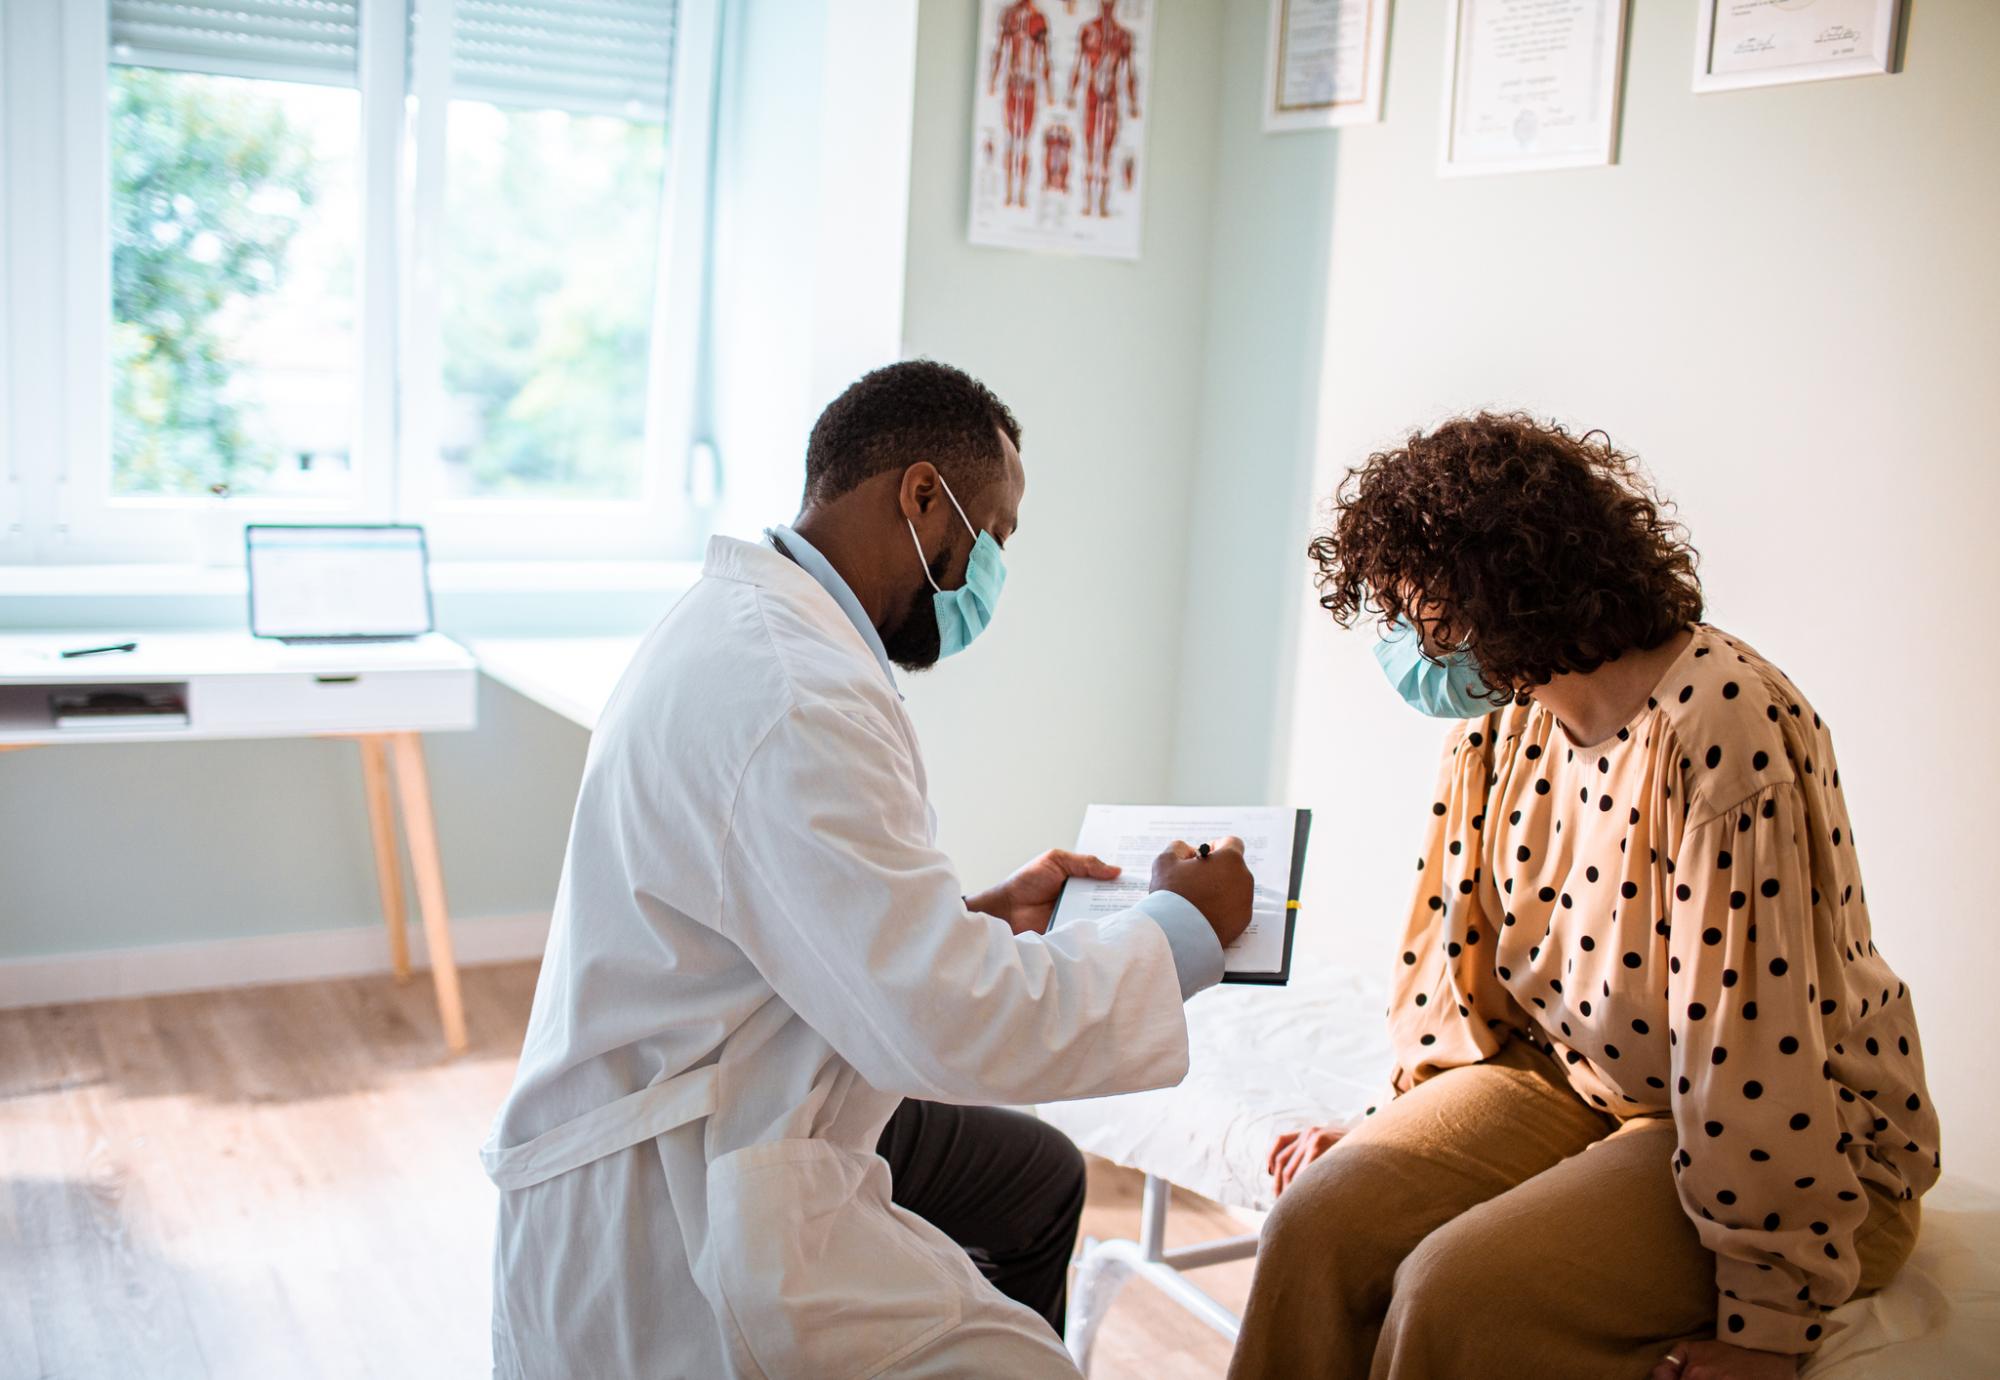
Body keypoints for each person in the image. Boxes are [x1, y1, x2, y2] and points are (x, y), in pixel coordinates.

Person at [483, 359, 1254, 1378]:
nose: (992, 579)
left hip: (756, 1070)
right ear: (922, 497)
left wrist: (973, 912)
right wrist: (1181, 928)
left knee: (1033, 1179)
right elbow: (950, 1023)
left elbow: (782, 902)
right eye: (995, 537)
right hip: (690, 1169)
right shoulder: (796, 693)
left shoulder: (757, 625)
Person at [1229, 414, 1939, 1380]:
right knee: (1314, 1225)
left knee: (1456, 1288)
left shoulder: (1724, 731)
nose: (1401, 637)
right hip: (1572, 1083)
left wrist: (1766, 1329)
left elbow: (1751, 1044)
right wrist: (1394, 1127)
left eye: (1410, 604)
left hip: (1789, 1137)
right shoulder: (1500, 724)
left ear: (1504, 587)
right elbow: (1455, 974)